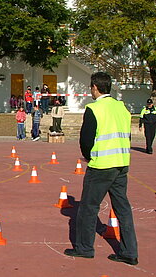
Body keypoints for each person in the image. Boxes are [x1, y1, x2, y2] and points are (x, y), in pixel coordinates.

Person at [64, 72, 138, 266]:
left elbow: (86, 139)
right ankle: (129, 251)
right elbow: (127, 135)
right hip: (121, 163)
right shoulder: (122, 107)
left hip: (101, 166)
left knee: (88, 208)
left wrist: (89, 157)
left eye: (91, 87)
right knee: (123, 209)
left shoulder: (94, 109)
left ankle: (84, 248)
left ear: (95, 87)